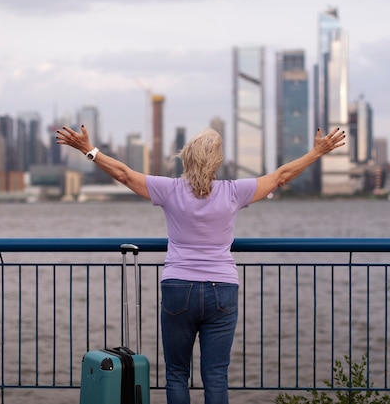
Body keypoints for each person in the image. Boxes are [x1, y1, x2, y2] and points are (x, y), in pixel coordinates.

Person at [56, 125, 345, 404]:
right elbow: (281, 177)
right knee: (216, 376)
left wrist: (88, 149)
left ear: (187, 157)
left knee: (177, 374)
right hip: (223, 289)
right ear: (218, 160)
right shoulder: (234, 191)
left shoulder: (169, 189)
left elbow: (124, 175)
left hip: (178, 288)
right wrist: (317, 152)